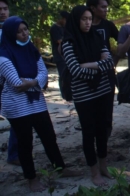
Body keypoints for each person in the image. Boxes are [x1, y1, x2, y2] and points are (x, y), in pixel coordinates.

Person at [0, 16, 81, 192]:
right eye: (19, 32)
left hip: (36, 102)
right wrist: (35, 83)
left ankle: (60, 168)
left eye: (25, 30)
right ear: (10, 34)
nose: (24, 34)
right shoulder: (4, 56)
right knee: (25, 142)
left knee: (49, 136)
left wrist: (32, 83)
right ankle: (31, 178)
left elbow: (43, 73)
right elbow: (16, 84)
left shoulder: (31, 49)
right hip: (17, 106)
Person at [61, 5, 116, 187]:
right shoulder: (68, 42)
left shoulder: (96, 36)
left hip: (102, 91)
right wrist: (98, 67)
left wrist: (89, 65)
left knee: (102, 131)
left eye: (90, 19)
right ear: (76, 20)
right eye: (84, 19)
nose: (87, 22)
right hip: (83, 95)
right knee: (89, 132)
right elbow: (75, 70)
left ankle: (103, 167)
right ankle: (94, 172)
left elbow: (109, 62)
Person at [86, 0, 119, 138]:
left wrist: (114, 60)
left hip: (107, 75)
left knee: (107, 110)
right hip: (87, 75)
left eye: (107, 7)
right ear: (93, 8)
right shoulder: (83, 26)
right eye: (103, 7)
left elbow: (121, 43)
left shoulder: (108, 25)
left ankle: (104, 144)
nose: (106, 10)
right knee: (91, 111)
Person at [0, 0, 19, 166]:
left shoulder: (16, 30)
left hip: (13, 82)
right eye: (0, 9)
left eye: (5, 8)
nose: (2, 12)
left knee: (17, 119)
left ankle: (14, 154)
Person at [49, 11, 69, 99]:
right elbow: (59, 40)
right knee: (63, 74)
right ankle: (64, 94)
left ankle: (69, 93)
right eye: (65, 19)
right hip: (59, 55)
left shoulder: (65, 27)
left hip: (67, 55)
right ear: (61, 19)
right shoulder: (54, 28)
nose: (66, 21)